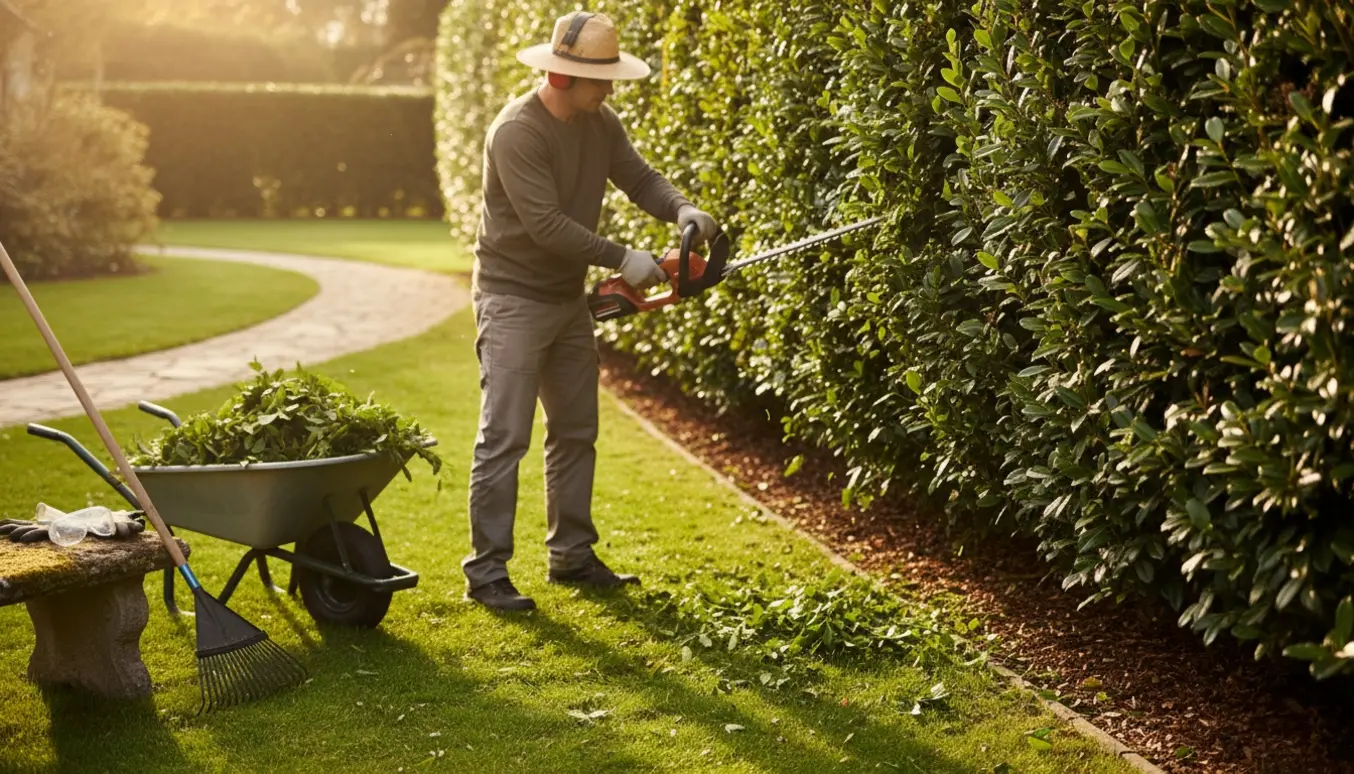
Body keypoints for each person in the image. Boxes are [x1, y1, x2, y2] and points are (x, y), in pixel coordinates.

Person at [462, 10, 720, 611]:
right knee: (504, 438)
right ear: (560, 76)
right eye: (600, 79)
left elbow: (640, 179)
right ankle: (487, 573)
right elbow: (547, 225)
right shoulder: (516, 132)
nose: (610, 89)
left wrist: (682, 209)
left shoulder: (599, 122)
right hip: (511, 299)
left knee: (577, 430)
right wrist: (622, 258)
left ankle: (571, 556)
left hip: (565, 300)